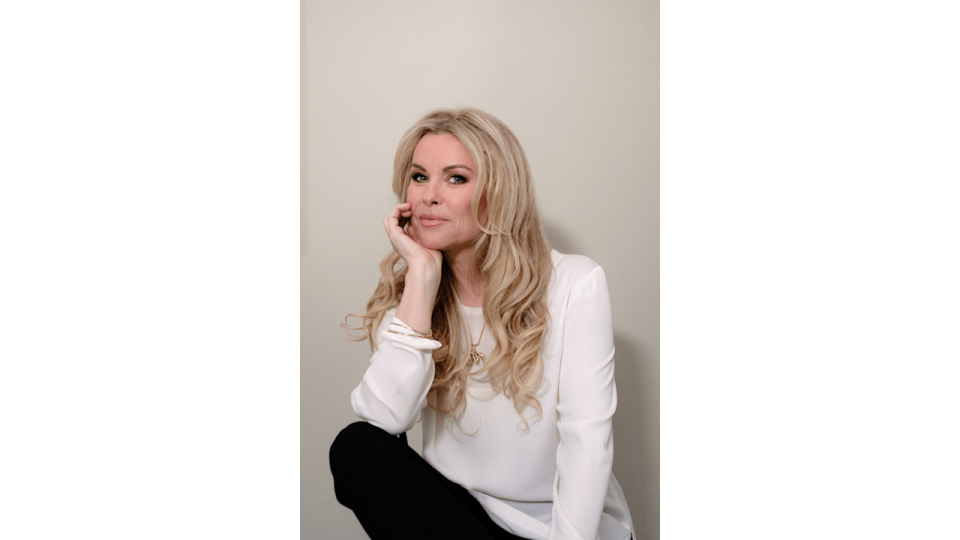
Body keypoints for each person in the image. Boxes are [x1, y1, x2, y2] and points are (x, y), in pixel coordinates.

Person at [330, 108, 634, 540]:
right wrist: (420, 275)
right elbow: (382, 421)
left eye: (455, 178)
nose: (429, 196)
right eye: (419, 177)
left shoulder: (574, 284)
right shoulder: (412, 296)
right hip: (461, 523)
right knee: (356, 448)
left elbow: (587, 446)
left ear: (500, 191)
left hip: (559, 530)